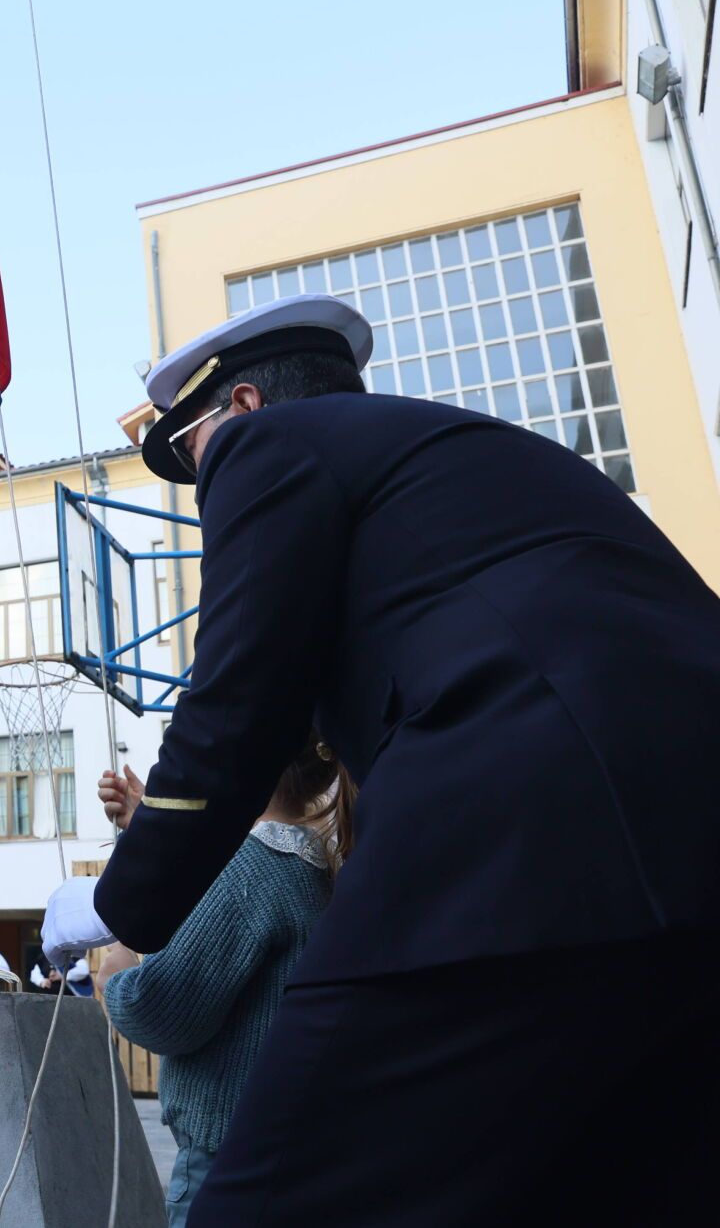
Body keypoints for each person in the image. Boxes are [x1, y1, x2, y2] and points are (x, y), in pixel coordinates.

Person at [72, 293, 720, 1221]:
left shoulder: (269, 449)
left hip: (535, 810)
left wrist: (115, 904)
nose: (206, 487)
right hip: (666, 821)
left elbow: (237, 696)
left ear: (244, 407)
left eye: (196, 454)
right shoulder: (450, 470)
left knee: (278, 1194)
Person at [94, 745, 344, 1227]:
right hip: (276, 1149)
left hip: (223, 1158)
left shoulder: (258, 864)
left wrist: (118, 976)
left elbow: (162, 1011)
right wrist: (150, 830)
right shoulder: (312, 865)